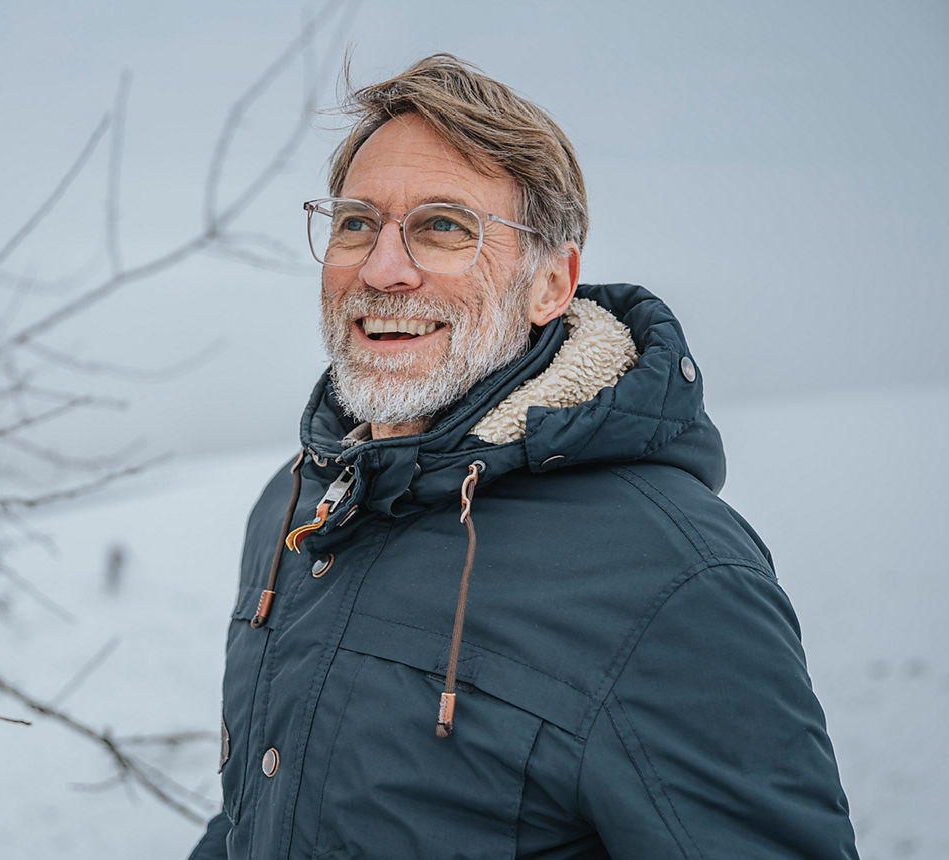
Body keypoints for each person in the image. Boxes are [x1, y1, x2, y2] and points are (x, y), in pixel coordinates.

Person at [190, 54, 857, 859]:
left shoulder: (673, 577)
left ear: (551, 283)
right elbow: (254, 814)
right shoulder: (298, 504)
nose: (381, 268)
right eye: (356, 223)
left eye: (443, 226)